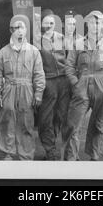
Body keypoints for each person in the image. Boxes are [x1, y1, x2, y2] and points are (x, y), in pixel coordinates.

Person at [63, 10, 103, 161]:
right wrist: (76, 83)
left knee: (99, 125)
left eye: (97, 22)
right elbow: (69, 66)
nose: (94, 26)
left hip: (100, 88)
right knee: (73, 125)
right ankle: (71, 158)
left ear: (102, 25)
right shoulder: (78, 44)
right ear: (86, 24)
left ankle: (95, 157)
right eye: (91, 22)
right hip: (81, 87)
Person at [0, 18, 45, 160]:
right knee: (6, 122)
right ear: (11, 30)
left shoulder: (34, 52)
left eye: (22, 28)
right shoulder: (2, 52)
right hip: (9, 89)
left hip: (27, 90)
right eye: (16, 28)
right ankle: (7, 153)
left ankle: (25, 156)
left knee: (27, 123)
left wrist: (38, 94)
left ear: (26, 30)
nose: (20, 31)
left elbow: (39, 74)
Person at [36, 9, 71, 160]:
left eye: (51, 22)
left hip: (64, 81)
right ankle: (49, 150)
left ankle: (57, 148)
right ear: (41, 25)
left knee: (62, 116)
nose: (49, 25)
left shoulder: (63, 39)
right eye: (46, 23)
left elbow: (71, 60)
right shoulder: (37, 41)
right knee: (45, 118)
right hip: (47, 81)